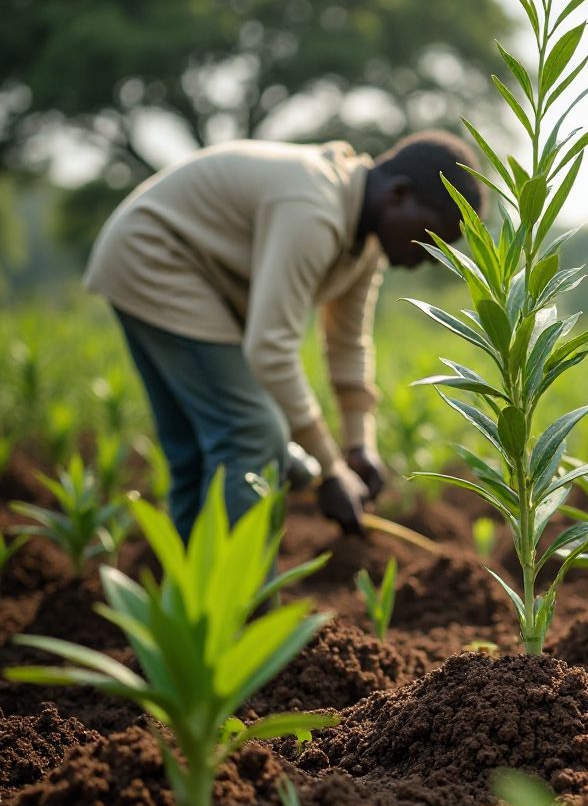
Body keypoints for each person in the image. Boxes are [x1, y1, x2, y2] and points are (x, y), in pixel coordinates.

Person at [84, 131, 482, 542]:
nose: (430, 257)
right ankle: (242, 599)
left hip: (152, 263)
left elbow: (348, 343)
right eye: (432, 236)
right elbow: (270, 350)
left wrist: (359, 445)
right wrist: (330, 472)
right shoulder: (313, 208)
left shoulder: (364, 242)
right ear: (400, 194)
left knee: (201, 450)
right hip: (155, 256)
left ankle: (190, 594)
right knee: (251, 434)